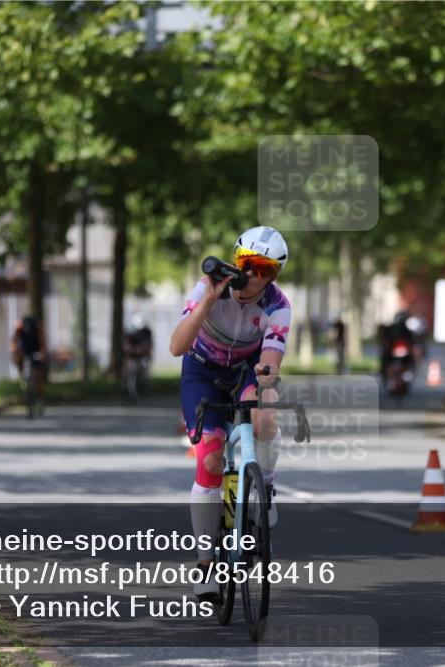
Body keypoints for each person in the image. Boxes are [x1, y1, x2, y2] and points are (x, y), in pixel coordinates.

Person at [169, 225, 291, 602]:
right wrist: (208, 299)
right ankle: (206, 567)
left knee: (266, 415)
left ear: (273, 276)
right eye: (248, 264)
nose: (254, 275)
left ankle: (265, 485)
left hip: (245, 370)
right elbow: (176, 347)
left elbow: (270, 359)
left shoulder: (277, 304)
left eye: (265, 270)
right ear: (236, 261)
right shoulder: (208, 288)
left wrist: (267, 375)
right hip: (202, 371)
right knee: (210, 458)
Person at [11, 315, 46, 401]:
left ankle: (39, 395)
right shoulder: (19, 326)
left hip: (36, 347)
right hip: (25, 347)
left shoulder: (37, 326)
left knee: (38, 372)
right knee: (19, 358)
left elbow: (42, 340)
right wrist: (15, 352)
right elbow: (14, 341)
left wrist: (42, 352)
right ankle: (22, 377)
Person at [122, 313, 154, 393]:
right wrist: (130, 349)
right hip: (131, 354)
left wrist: (146, 351)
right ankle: (124, 386)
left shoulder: (146, 332)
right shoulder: (128, 332)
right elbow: (125, 344)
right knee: (126, 367)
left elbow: (149, 344)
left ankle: (143, 385)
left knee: (144, 367)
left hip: (142, 355)